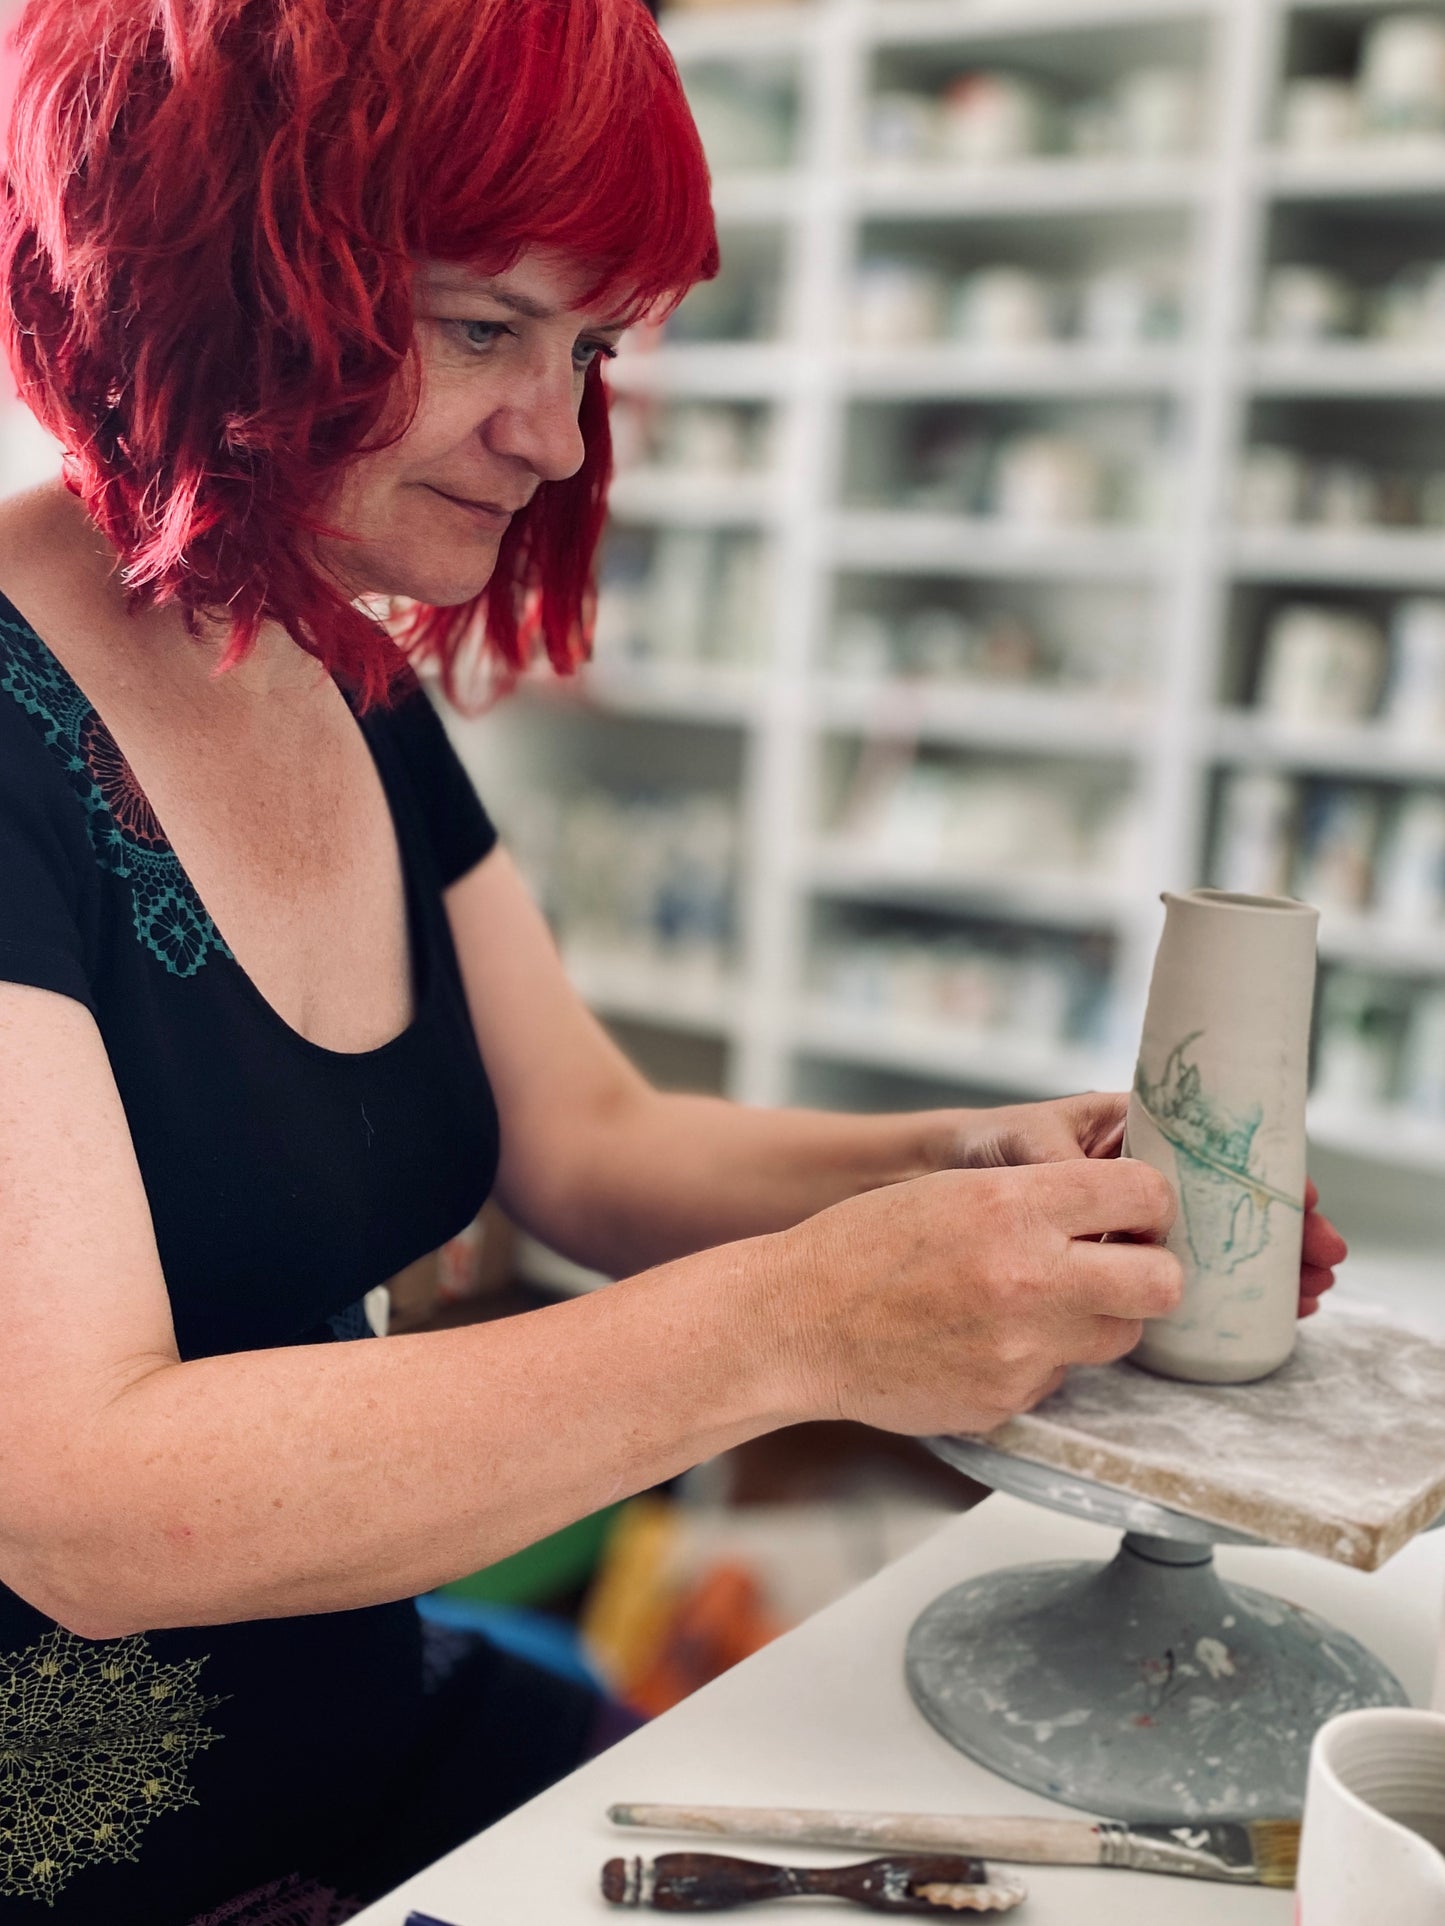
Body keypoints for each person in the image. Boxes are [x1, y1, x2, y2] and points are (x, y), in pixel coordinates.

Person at [0, 0, 1344, 1919]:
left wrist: (971, 1175)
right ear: (219, 261)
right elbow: (84, 1506)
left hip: (354, 1712)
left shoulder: (329, 666)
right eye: (486, 326)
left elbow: (592, 1141)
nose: (555, 437)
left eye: (589, 350)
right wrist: (797, 1325)